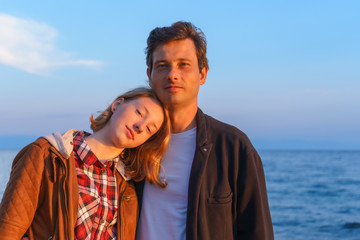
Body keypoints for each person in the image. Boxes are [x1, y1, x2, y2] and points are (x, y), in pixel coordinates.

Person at [135, 22, 274, 239]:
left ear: (202, 74)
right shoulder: (131, 143)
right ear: (150, 74)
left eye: (183, 64)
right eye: (162, 65)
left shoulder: (233, 147)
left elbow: (257, 232)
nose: (172, 74)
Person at [0, 87, 171, 240]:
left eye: (150, 129)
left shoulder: (128, 185)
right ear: (117, 104)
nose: (140, 126)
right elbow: (8, 228)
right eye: (139, 112)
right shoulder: (46, 155)